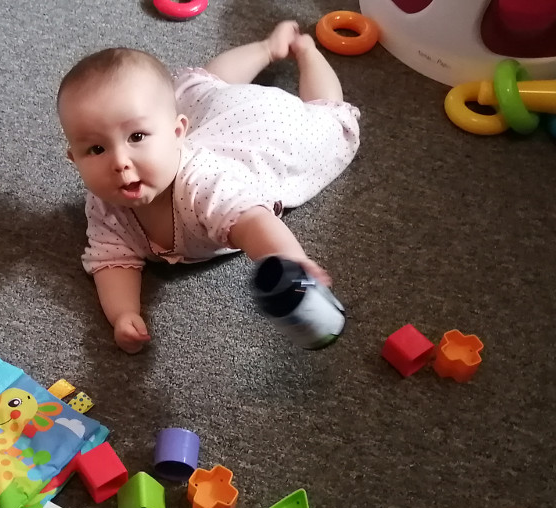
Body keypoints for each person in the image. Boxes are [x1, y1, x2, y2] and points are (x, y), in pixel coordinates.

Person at [57, 21, 360, 353]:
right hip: (218, 116)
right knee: (203, 89)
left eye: (136, 137)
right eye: (97, 150)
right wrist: (122, 313)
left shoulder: (205, 182)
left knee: (327, 121)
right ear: (75, 159)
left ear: (177, 133)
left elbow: (253, 221)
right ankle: (267, 48)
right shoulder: (105, 203)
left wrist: (289, 261)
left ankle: (306, 50)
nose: (119, 162)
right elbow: (111, 258)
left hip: (267, 131)